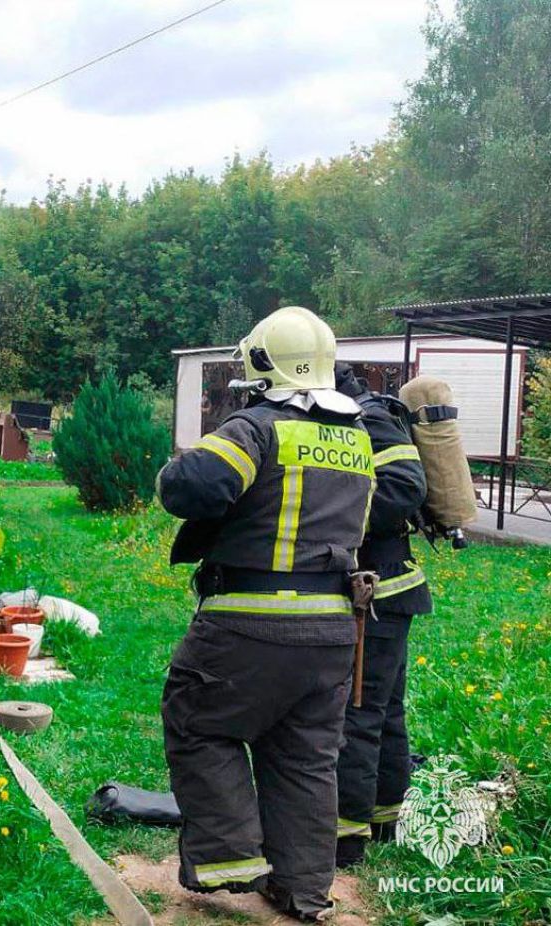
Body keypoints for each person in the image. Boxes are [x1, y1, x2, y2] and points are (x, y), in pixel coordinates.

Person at [156, 306, 376, 922]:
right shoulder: (358, 438)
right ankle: (304, 889)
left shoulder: (259, 426)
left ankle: (230, 857)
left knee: (199, 721)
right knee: (305, 757)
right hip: (336, 629)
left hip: (249, 623)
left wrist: (174, 467)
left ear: (261, 363)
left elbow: (193, 486)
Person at [332, 363, 430, 868]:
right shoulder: (358, 417)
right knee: (386, 711)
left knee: (359, 714)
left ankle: (346, 838)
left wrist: (332, 511)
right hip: (389, 594)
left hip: (381, 595)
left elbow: (403, 489)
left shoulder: (370, 420)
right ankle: (385, 819)